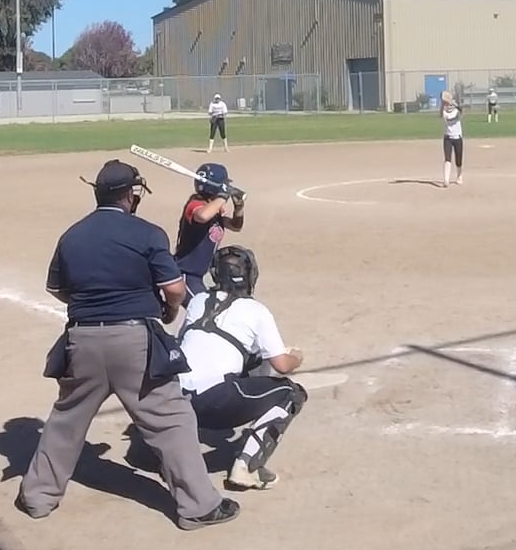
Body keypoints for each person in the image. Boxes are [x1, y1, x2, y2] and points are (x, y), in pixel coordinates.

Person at [20, 159, 238, 530]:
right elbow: (174, 288)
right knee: (171, 419)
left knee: (66, 420)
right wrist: (168, 311)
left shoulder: (72, 235)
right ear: (128, 195)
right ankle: (198, 506)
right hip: (135, 340)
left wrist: (91, 305)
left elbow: (57, 288)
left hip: (82, 340)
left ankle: (37, 497)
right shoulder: (147, 233)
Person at [179, 246, 307, 492]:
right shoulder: (256, 311)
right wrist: (296, 358)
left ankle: (173, 455)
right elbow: (281, 365)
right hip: (213, 403)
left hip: (173, 400)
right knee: (292, 393)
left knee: (251, 361)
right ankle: (247, 467)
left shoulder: (197, 300)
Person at [176, 163, 245, 296]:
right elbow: (203, 216)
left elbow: (235, 226)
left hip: (201, 275)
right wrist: (223, 196)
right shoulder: (194, 204)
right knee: (203, 307)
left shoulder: (214, 207)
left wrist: (239, 208)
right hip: (186, 275)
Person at [441, 92, 465, 187]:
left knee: (458, 159)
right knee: (447, 158)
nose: (449, 106)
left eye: (451, 105)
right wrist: (443, 103)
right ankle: (446, 180)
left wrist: (455, 104)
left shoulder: (457, 112)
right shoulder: (444, 112)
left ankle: (459, 176)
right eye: (447, 105)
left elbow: (461, 110)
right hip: (448, 138)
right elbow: (441, 113)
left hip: (458, 137)